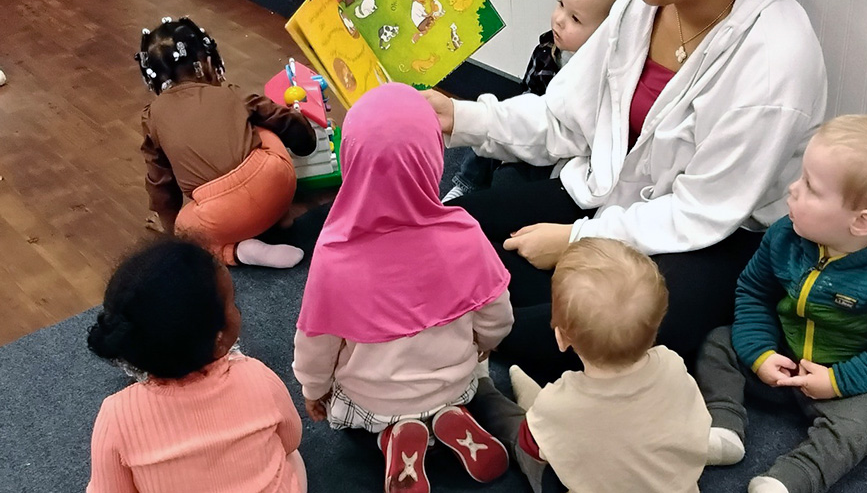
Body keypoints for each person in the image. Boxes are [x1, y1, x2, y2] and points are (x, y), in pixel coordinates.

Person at [423, 0, 825, 381]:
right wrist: (460, 117)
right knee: (435, 236)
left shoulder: (778, 58)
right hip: (610, 194)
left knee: (608, 325)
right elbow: (562, 116)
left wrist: (577, 241)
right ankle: (498, 323)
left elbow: (699, 214)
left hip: (714, 239)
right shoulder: (642, 3)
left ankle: (486, 334)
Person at [696, 114, 867, 493]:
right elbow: (754, 293)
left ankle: (792, 478)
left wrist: (838, 380)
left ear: (860, 223)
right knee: (719, 342)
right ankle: (724, 426)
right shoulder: (785, 235)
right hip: (783, 356)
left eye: (810, 186)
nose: (793, 190)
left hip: (853, 377)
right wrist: (759, 353)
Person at [292, 83, 513, 493]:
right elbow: (498, 314)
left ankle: (393, 434)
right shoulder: (464, 234)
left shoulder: (335, 253)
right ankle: (450, 416)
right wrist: (486, 341)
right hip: (454, 381)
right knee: (463, 376)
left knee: (359, 397)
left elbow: (316, 343)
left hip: (374, 398)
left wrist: (314, 390)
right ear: (433, 157)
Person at [469, 238, 711, 493]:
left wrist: (545, 419)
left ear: (561, 338)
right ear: (657, 327)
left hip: (561, 429)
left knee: (520, 431)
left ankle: (483, 389)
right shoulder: (672, 363)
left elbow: (534, 449)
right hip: (677, 484)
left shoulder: (560, 403)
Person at [86, 239, 306, 492]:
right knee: (292, 458)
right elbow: (290, 439)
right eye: (233, 303)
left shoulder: (116, 416)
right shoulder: (256, 376)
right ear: (219, 340)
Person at [443, 0, 633, 202]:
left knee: (508, 177)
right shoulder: (547, 49)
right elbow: (527, 98)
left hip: (558, 156)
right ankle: (466, 183)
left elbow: (568, 135)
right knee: (484, 134)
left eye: (575, 19)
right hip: (532, 125)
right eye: (561, 4)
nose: (559, 19)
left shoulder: (600, 80)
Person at [137, 17, 316, 268]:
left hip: (220, 219)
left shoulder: (152, 117)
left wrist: (171, 229)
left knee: (186, 231)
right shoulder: (229, 92)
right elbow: (283, 119)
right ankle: (280, 219)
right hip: (276, 185)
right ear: (206, 62)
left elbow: (160, 183)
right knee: (260, 126)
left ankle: (238, 252)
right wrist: (305, 144)